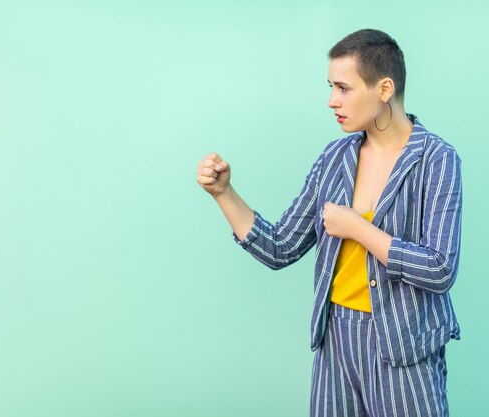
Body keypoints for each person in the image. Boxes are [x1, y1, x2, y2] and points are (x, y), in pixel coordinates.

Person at [196, 28, 462, 417]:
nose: (331, 101)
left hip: (404, 346)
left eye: (343, 88)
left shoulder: (438, 160)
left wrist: (358, 228)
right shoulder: (334, 158)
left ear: (384, 89)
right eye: (330, 87)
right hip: (336, 341)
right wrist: (224, 193)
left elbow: (440, 268)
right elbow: (280, 246)